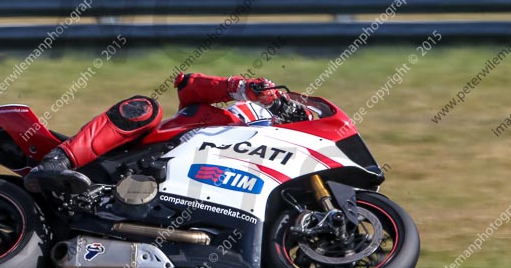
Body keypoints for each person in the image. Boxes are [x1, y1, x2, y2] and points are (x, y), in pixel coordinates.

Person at [24, 72, 305, 193]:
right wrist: (241, 87)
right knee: (147, 108)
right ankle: (56, 162)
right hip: (132, 161)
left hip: (179, 193)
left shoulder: (266, 167)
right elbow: (189, 85)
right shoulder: (219, 115)